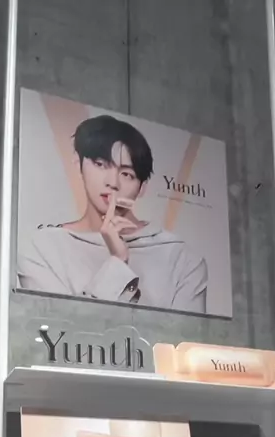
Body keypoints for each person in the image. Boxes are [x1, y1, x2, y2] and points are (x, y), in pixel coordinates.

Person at [17, 114, 208, 312]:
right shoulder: (41, 249)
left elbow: (185, 332)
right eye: (101, 164)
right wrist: (117, 262)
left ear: (143, 187)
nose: (112, 183)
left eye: (127, 174)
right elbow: (58, 326)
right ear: (77, 162)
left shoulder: (182, 259)